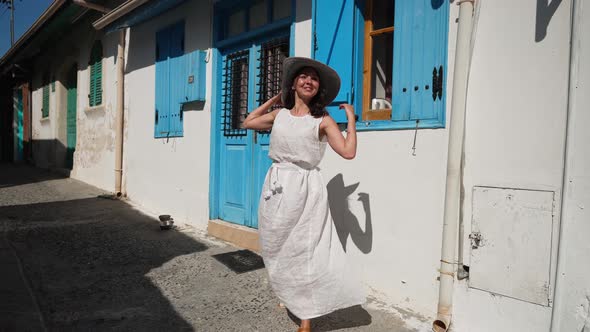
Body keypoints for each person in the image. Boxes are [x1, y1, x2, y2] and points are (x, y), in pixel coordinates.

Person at [243, 57, 364, 332]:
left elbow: (348, 151)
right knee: (277, 246)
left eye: (314, 78)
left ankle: (307, 318)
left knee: (305, 250)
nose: (308, 81)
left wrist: (352, 121)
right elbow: (247, 122)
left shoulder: (321, 120)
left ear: (318, 87)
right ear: (294, 84)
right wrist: (275, 98)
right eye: (303, 77)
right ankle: (291, 296)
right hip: (276, 187)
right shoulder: (280, 115)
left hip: (306, 189)